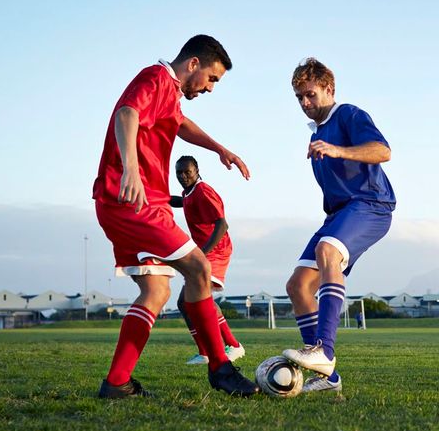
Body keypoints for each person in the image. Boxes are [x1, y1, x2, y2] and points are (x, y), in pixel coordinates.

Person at [92, 35, 259, 398]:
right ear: (194, 64)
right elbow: (126, 114)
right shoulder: (155, 78)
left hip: (129, 202)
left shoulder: (169, 93)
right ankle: (220, 367)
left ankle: (117, 383)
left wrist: (220, 149)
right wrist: (131, 169)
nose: (211, 88)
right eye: (212, 79)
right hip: (133, 202)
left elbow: (180, 124)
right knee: (199, 269)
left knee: (156, 290)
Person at [282, 58, 395, 393]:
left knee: (327, 250)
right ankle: (327, 378)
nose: (304, 103)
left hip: (372, 206)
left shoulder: (348, 115)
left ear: (329, 90)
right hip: (340, 215)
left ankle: (324, 352)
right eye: (299, 97)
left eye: (310, 95)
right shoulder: (317, 132)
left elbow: (383, 151)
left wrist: (336, 150)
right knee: (299, 287)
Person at [170, 155, 245, 366]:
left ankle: (233, 345)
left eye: (187, 172)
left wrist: (202, 253)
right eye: (179, 173)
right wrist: (157, 197)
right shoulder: (190, 192)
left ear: (197, 170)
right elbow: (182, 201)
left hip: (216, 251)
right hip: (205, 252)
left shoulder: (204, 191)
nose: (183, 176)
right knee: (185, 303)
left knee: (198, 300)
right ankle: (204, 352)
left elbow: (222, 225)